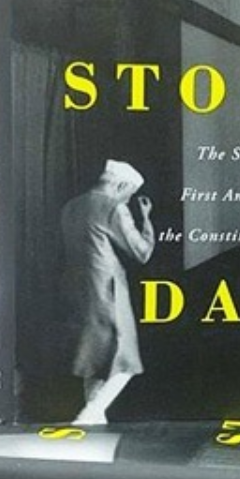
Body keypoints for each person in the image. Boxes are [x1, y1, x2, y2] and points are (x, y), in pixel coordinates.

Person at [60, 159, 156, 425]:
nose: (128, 199)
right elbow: (142, 253)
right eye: (130, 193)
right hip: (108, 290)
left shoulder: (71, 207)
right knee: (125, 360)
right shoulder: (114, 208)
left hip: (78, 290)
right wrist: (146, 219)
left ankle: (94, 418)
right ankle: (89, 415)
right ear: (121, 185)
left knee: (94, 359)